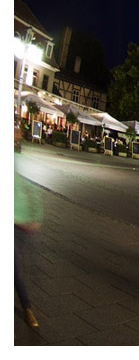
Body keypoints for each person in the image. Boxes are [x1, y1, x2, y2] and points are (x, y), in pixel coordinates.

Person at [15, 123, 42, 328]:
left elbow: (33, 191)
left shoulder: (20, 162)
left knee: (14, 268)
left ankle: (27, 308)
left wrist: (35, 216)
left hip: (17, 223)